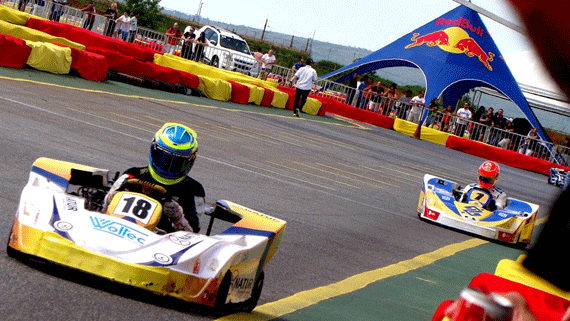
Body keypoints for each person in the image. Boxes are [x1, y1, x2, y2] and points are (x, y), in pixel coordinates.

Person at [102, 123, 205, 233]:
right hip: (118, 229)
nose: (168, 167)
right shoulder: (132, 175)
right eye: (163, 159)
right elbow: (103, 211)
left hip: (161, 242)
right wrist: (111, 199)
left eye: (177, 163)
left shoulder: (193, 190)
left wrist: (177, 216)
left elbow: (193, 235)